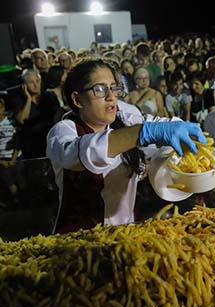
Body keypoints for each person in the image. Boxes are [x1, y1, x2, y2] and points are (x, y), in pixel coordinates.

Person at [46, 59, 206, 233]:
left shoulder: (125, 121)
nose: (111, 97)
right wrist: (144, 133)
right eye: (99, 90)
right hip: (79, 238)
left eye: (114, 88)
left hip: (125, 232)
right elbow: (81, 154)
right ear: (77, 99)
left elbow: (160, 132)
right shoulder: (64, 131)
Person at [0, 95, 23, 203]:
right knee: (10, 184)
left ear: (4, 107)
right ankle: (15, 203)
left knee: (21, 182)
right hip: (2, 159)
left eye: (0, 107)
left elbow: (17, 142)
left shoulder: (11, 122)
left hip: (16, 158)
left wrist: (13, 159)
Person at [14, 69, 59, 159]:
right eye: (31, 82)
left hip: (50, 141)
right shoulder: (20, 100)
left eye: (37, 81)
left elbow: (56, 116)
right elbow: (21, 120)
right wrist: (29, 99)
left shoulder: (49, 96)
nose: (35, 85)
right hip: (31, 145)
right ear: (24, 85)